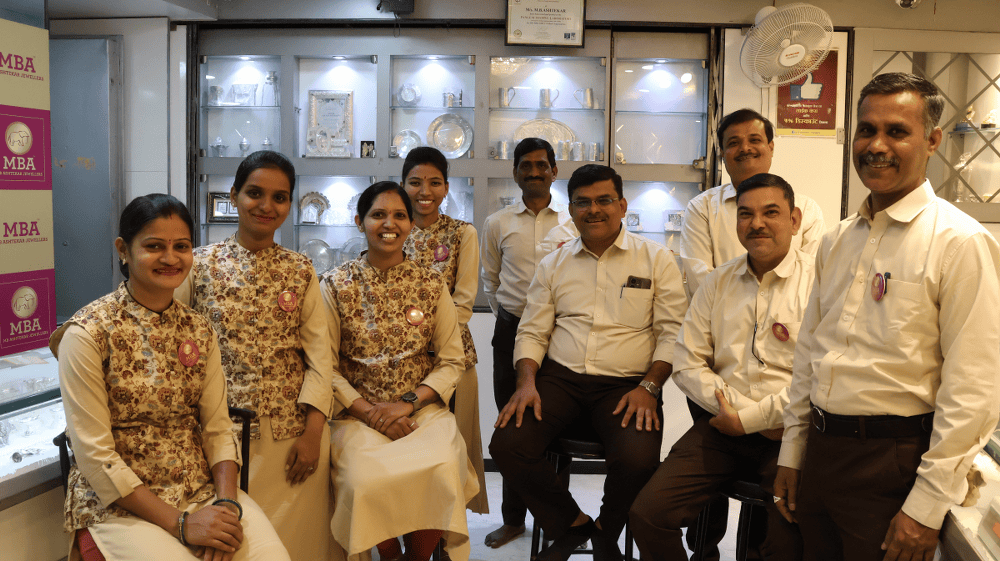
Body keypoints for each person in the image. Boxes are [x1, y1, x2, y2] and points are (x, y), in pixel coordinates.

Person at [773, 72, 1000, 561]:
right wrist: (793, 452)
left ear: (932, 141)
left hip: (893, 464)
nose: (876, 146)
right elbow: (809, 355)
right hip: (822, 453)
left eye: (897, 131)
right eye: (866, 130)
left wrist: (925, 507)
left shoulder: (959, 243)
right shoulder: (837, 241)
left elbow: (975, 389)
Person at [51, 193, 290, 561]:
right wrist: (183, 524)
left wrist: (226, 506)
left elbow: (217, 428)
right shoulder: (87, 333)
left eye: (181, 246)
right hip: (121, 505)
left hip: (201, 491)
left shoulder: (199, 329)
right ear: (123, 250)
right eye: (154, 246)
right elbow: (95, 456)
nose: (170, 257)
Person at [489, 165, 688, 561]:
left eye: (603, 200)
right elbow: (532, 332)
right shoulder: (553, 264)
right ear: (571, 209)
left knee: (638, 460)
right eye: (582, 202)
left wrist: (649, 388)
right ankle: (573, 525)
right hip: (560, 381)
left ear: (622, 206)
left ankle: (605, 533)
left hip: (627, 385)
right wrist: (526, 383)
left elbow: (672, 334)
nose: (593, 210)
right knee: (508, 444)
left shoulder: (657, 260)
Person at [629, 173, 807, 561]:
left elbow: (821, 378)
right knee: (648, 515)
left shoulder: (820, 283)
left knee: (788, 540)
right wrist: (743, 417)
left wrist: (755, 419)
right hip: (725, 428)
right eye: (745, 214)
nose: (756, 223)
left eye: (770, 212)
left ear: (794, 220)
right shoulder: (718, 282)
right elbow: (687, 361)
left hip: (791, 434)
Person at [678, 108, 825, 560]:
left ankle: (752, 552)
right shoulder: (703, 208)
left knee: (770, 495)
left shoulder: (807, 208)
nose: (745, 148)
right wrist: (745, 413)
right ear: (722, 153)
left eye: (754, 140)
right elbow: (700, 277)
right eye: (733, 142)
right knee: (708, 482)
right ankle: (704, 551)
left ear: (771, 146)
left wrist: (761, 415)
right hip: (720, 364)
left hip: (783, 390)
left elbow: (808, 278)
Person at [174, 151, 335, 561]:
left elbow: (320, 359)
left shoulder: (301, 270)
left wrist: (313, 434)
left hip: (292, 436)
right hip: (218, 434)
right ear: (234, 195)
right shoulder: (199, 265)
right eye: (255, 193)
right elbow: (175, 346)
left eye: (279, 197)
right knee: (237, 541)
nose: (266, 206)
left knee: (299, 544)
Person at [321, 181, 479, 561]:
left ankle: (417, 557)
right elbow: (325, 366)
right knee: (364, 480)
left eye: (399, 216)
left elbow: (451, 360)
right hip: (356, 416)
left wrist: (406, 404)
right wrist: (371, 413)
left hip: (420, 411)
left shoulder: (432, 284)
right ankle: (390, 555)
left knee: (441, 468)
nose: (389, 224)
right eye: (378, 215)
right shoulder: (334, 285)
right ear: (359, 221)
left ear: (410, 224)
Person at [479, 137, 577, 548]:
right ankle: (513, 520)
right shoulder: (497, 222)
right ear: (515, 171)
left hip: (562, 336)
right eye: (526, 165)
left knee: (558, 430)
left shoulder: (573, 220)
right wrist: (513, 318)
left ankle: (560, 521)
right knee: (512, 427)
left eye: (542, 165)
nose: (534, 172)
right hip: (511, 331)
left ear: (555, 170)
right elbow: (490, 279)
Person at [400, 146, 488, 515]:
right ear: (403, 185)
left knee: (453, 451)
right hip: (398, 361)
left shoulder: (462, 233)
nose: (425, 191)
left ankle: (448, 533)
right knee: (406, 453)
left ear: (447, 188)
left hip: (451, 357)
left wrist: (428, 344)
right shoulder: (393, 229)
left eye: (435, 183)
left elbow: (464, 302)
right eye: (415, 182)